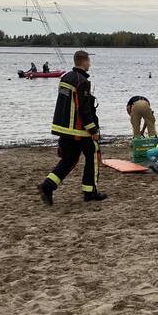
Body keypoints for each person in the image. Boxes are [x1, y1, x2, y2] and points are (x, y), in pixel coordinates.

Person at [38, 50, 106, 205]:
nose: (89, 64)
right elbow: (84, 108)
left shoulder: (65, 78)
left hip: (63, 128)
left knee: (69, 159)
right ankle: (90, 191)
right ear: (84, 62)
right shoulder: (82, 81)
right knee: (93, 155)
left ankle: (47, 186)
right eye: (88, 61)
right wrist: (93, 130)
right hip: (79, 130)